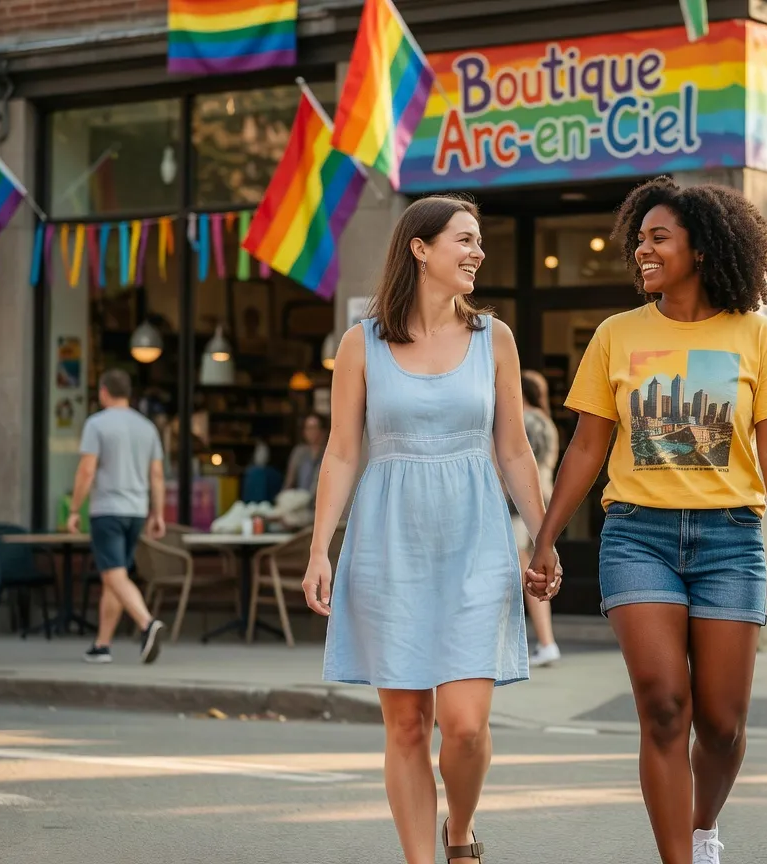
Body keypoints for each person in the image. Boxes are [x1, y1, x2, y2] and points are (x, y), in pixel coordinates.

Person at [527, 177, 767, 864]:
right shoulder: (616, 334)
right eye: (639, 239)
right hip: (638, 535)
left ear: (701, 249)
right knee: (662, 708)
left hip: (730, 540)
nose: (642, 251)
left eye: (658, 238)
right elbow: (588, 443)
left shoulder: (756, 337)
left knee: (721, 724)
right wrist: (545, 538)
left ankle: (703, 826)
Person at [302, 195, 558, 864]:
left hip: (476, 540)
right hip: (388, 542)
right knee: (408, 726)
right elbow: (342, 451)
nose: (477, 252)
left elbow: (513, 451)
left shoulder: (493, 338)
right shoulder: (362, 343)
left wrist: (544, 534)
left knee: (465, 727)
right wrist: (319, 549)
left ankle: (459, 830)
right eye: (464, 240)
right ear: (420, 248)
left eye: (478, 242)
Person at [67, 369, 167, 665]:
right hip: (136, 510)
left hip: (108, 508)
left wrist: (74, 509)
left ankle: (147, 623)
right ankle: (102, 644)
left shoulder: (96, 424)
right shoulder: (147, 427)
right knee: (115, 574)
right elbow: (158, 475)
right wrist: (158, 512)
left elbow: (86, 470)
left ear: (103, 392)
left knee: (113, 574)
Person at [510, 369, 561, 667]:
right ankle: (546, 641)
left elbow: (515, 464)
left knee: (525, 571)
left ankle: (545, 640)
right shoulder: (546, 421)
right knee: (533, 567)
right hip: (544, 499)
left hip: (521, 503)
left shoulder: (526, 421)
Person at [283, 414, 327, 494]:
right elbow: (290, 480)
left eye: (314, 428)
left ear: (322, 431)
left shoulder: (328, 452)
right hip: (300, 498)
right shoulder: (299, 452)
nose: (311, 432)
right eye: (308, 428)